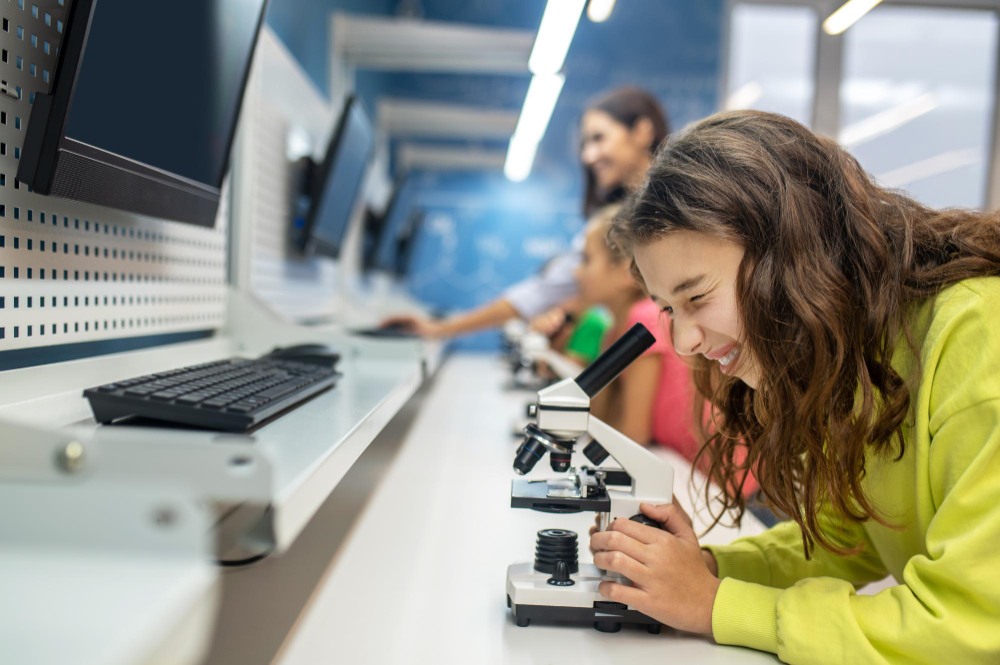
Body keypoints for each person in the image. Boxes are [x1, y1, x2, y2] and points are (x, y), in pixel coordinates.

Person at [588, 110, 1000, 663]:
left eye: (698, 298)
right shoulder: (858, 350)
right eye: (668, 309)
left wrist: (716, 605)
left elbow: (972, 626)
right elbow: (846, 536)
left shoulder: (978, 338)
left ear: (792, 254)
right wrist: (707, 570)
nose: (683, 341)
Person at [379, 86, 669, 338]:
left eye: (599, 138)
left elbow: (543, 292)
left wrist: (440, 329)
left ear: (642, 131)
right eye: (584, 144)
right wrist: (439, 329)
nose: (587, 155)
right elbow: (543, 291)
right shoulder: (609, 222)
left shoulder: (672, 212)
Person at [571, 204, 700, 453]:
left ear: (625, 272)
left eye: (586, 260)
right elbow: (601, 418)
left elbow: (634, 432)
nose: (576, 272)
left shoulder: (645, 320)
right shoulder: (611, 328)